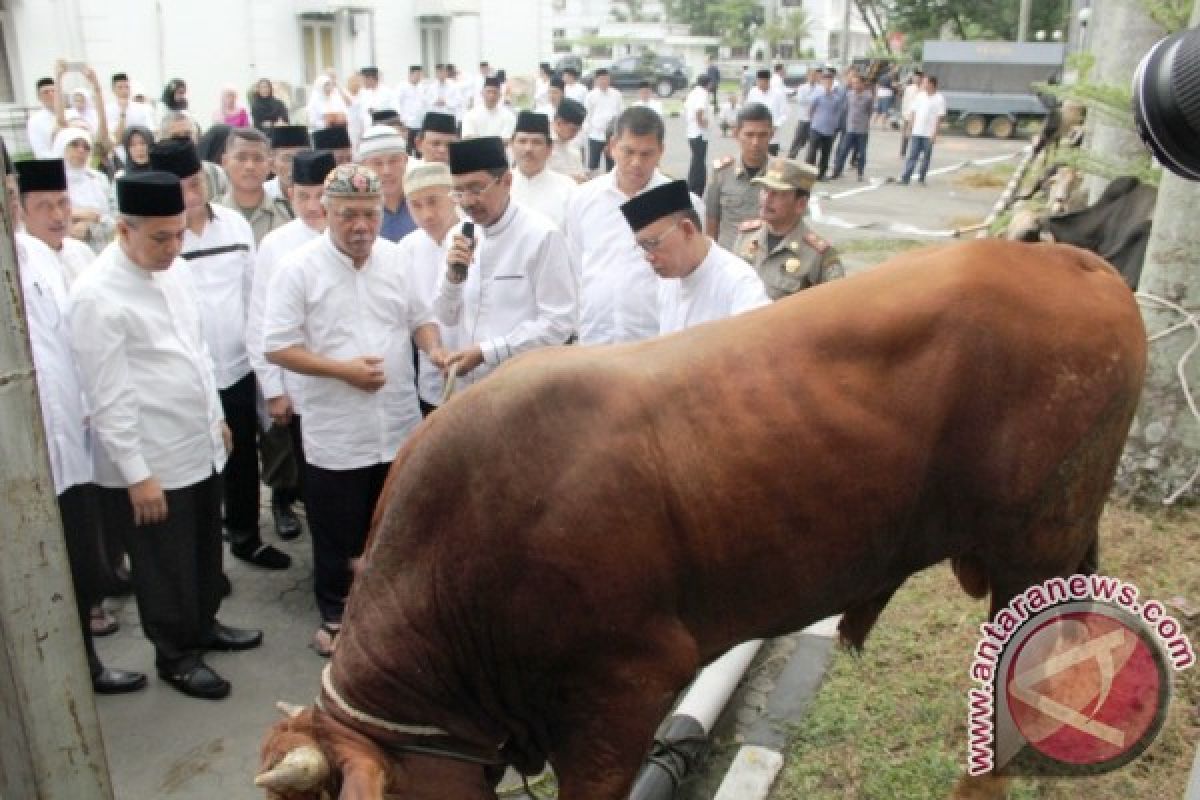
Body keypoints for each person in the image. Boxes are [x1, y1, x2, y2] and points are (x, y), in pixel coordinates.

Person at [70, 171, 263, 700]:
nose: (174, 247)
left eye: (179, 233)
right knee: (163, 565)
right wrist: (137, 474)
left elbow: (195, 352)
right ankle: (176, 655)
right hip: (150, 463)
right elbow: (107, 398)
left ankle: (204, 625)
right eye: (161, 237)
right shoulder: (97, 296)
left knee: (203, 549)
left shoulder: (173, 271)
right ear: (122, 230)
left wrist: (214, 418)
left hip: (196, 444)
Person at [264, 163, 446, 656]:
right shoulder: (298, 270)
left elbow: (421, 318)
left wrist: (432, 349)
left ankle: (391, 612)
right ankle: (336, 617)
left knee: (393, 525)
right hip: (338, 430)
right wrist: (343, 370)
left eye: (369, 214)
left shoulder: (395, 259)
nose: (361, 226)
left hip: (397, 421)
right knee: (339, 531)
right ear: (325, 213)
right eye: (348, 216)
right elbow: (278, 346)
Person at [14, 158, 147, 695]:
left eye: (61, 203)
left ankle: (82, 666)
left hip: (68, 436)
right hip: (27, 446)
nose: (55, 215)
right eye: (40, 205)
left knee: (73, 553)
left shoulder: (46, 256)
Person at [148, 138, 291, 572]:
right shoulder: (159, 243)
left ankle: (247, 538)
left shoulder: (233, 227)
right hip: (188, 377)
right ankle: (207, 565)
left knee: (243, 459)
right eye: (179, 187)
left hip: (237, 367)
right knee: (198, 472)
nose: (190, 194)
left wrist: (263, 369)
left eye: (195, 183)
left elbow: (254, 301)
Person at [434, 136, 576, 388]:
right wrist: (453, 278)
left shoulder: (541, 235)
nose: (467, 201)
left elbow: (558, 324)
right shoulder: (458, 235)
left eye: (476, 189)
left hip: (523, 388)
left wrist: (487, 352)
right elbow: (446, 316)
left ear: (507, 181)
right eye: (459, 191)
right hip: (471, 389)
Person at [246, 150, 336, 537]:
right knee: (313, 479)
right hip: (299, 387)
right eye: (304, 196)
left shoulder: (359, 234)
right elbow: (259, 323)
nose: (314, 206)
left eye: (322, 196)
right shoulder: (275, 245)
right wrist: (273, 389)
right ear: (289, 193)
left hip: (350, 384)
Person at [565, 106, 702, 345]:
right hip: (596, 338)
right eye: (628, 151)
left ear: (661, 151)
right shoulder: (583, 198)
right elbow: (575, 267)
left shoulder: (682, 204)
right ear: (612, 146)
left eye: (646, 153)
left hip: (657, 340)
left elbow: (695, 276)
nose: (636, 163)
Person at [619, 179, 768, 335]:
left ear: (687, 230)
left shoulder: (739, 283)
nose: (648, 257)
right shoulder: (670, 278)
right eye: (643, 246)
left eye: (652, 243)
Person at [397, 161, 461, 414]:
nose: (427, 214)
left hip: (478, 371)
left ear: (453, 197)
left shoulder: (476, 237)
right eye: (416, 205)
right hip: (431, 376)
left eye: (434, 201)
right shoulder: (406, 248)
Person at [732, 158, 843, 299]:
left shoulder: (817, 255)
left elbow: (835, 307)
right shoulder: (746, 236)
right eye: (765, 190)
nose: (767, 199)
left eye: (778, 193)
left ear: (800, 204)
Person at [704, 102, 773, 249]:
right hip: (729, 258)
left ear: (771, 135)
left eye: (762, 135)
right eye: (749, 135)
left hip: (765, 259)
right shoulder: (721, 173)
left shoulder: (782, 175)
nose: (755, 142)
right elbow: (711, 221)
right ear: (736, 134)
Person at [219, 127, 293, 244]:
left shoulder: (289, 215)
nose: (250, 166)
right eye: (241, 158)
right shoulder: (211, 216)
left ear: (269, 165)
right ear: (225, 162)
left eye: (258, 159)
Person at [510, 111, 576, 228]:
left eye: (536, 142)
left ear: (549, 149)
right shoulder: (498, 185)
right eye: (522, 141)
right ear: (511, 145)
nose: (528, 149)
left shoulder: (568, 187)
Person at [53, 128, 115, 253]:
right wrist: (77, 214)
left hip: (101, 250)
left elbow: (113, 219)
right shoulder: (51, 182)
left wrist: (90, 224)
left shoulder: (98, 179)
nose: (81, 150)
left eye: (86, 147)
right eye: (74, 145)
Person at [357, 125, 415, 242]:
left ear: (405, 160)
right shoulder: (357, 213)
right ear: (363, 166)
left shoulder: (423, 202)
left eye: (393, 161)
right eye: (377, 163)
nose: (386, 171)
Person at [900, 75, 946, 186]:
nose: (923, 84)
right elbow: (913, 112)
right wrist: (910, 128)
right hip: (917, 131)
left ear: (932, 84)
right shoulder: (920, 96)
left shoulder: (939, 98)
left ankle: (921, 177)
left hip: (928, 133)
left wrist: (935, 133)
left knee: (926, 157)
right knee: (912, 155)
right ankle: (906, 177)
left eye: (925, 82)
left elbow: (939, 117)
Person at [830, 72, 875, 181]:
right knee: (843, 150)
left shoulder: (868, 96)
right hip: (850, 128)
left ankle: (860, 173)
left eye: (857, 83)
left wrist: (865, 121)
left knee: (861, 152)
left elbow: (869, 111)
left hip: (862, 129)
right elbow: (846, 109)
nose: (855, 85)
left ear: (862, 84)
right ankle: (837, 171)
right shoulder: (849, 94)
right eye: (853, 83)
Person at [106, 72, 155, 158]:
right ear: (113, 90)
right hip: (119, 155)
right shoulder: (108, 110)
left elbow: (149, 134)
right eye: (120, 87)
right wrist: (123, 113)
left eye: (126, 87)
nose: (124, 91)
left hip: (141, 153)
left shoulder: (142, 109)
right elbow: (116, 139)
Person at [806, 70, 843, 181]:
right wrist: (814, 121)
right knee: (812, 152)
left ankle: (821, 174)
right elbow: (810, 110)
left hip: (829, 130)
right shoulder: (817, 95)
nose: (828, 83)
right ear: (822, 82)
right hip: (816, 127)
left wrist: (834, 125)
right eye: (826, 81)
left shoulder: (835, 98)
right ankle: (808, 173)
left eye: (830, 81)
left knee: (826, 153)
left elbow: (837, 112)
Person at [584, 69, 623, 173]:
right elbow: (587, 115)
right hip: (595, 135)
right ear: (596, 81)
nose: (604, 82)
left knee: (612, 164)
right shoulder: (591, 95)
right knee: (593, 164)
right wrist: (588, 131)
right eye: (601, 79)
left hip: (612, 135)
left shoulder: (617, 94)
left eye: (606, 79)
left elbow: (620, 114)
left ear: (609, 80)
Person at [745, 69, 788, 156]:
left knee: (770, 161)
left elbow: (784, 113)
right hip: (755, 134)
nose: (759, 84)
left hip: (772, 134)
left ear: (768, 81)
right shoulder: (753, 92)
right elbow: (747, 109)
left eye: (762, 81)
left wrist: (776, 125)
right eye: (758, 81)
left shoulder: (778, 94)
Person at [264, 125, 312, 203]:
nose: (295, 166)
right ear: (272, 165)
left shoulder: (324, 193)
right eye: (288, 159)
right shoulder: (261, 195)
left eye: (302, 156)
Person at [461, 76, 516, 141]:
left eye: (495, 92)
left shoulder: (509, 116)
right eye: (488, 92)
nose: (491, 95)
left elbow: (506, 139)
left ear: (500, 95)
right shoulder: (470, 115)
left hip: (500, 150)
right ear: (482, 93)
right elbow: (468, 137)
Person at [684, 75, 712, 195]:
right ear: (708, 84)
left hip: (692, 131)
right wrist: (702, 122)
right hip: (699, 132)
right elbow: (699, 110)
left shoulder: (693, 93)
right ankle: (696, 188)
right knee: (699, 162)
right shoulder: (703, 94)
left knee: (697, 160)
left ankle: (693, 185)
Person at [549, 98, 588, 182]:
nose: (575, 134)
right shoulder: (542, 144)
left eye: (578, 130)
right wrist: (569, 180)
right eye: (573, 130)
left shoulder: (574, 147)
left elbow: (580, 175)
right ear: (559, 123)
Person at [396, 65, 428, 153]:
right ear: (410, 74)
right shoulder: (402, 87)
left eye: (420, 75)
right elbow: (397, 104)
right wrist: (402, 121)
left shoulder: (422, 87)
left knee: (419, 147)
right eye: (417, 75)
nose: (419, 77)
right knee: (408, 147)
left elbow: (425, 104)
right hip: (407, 123)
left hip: (420, 123)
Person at [788, 69, 819, 158]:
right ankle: (791, 158)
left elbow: (818, 101)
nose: (813, 77)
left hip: (814, 120)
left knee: (813, 143)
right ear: (807, 76)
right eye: (811, 75)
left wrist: (810, 99)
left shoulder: (820, 88)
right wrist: (813, 100)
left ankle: (809, 162)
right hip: (803, 118)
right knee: (798, 140)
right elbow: (800, 100)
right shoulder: (802, 87)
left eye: (814, 75)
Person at [28, 77, 59, 158]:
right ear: (39, 97)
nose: (51, 94)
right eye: (46, 92)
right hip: (52, 164)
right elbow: (40, 151)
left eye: (53, 91)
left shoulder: (71, 114)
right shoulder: (35, 121)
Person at [899, 70, 924, 157]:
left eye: (918, 78)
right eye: (915, 77)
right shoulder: (909, 88)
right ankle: (903, 152)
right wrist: (903, 113)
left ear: (921, 79)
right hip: (907, 114)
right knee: (905, 134)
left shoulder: (923, 89)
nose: (916, 79)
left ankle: (917, 152)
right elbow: (905, 101)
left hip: (918, 116)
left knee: (917, 134)